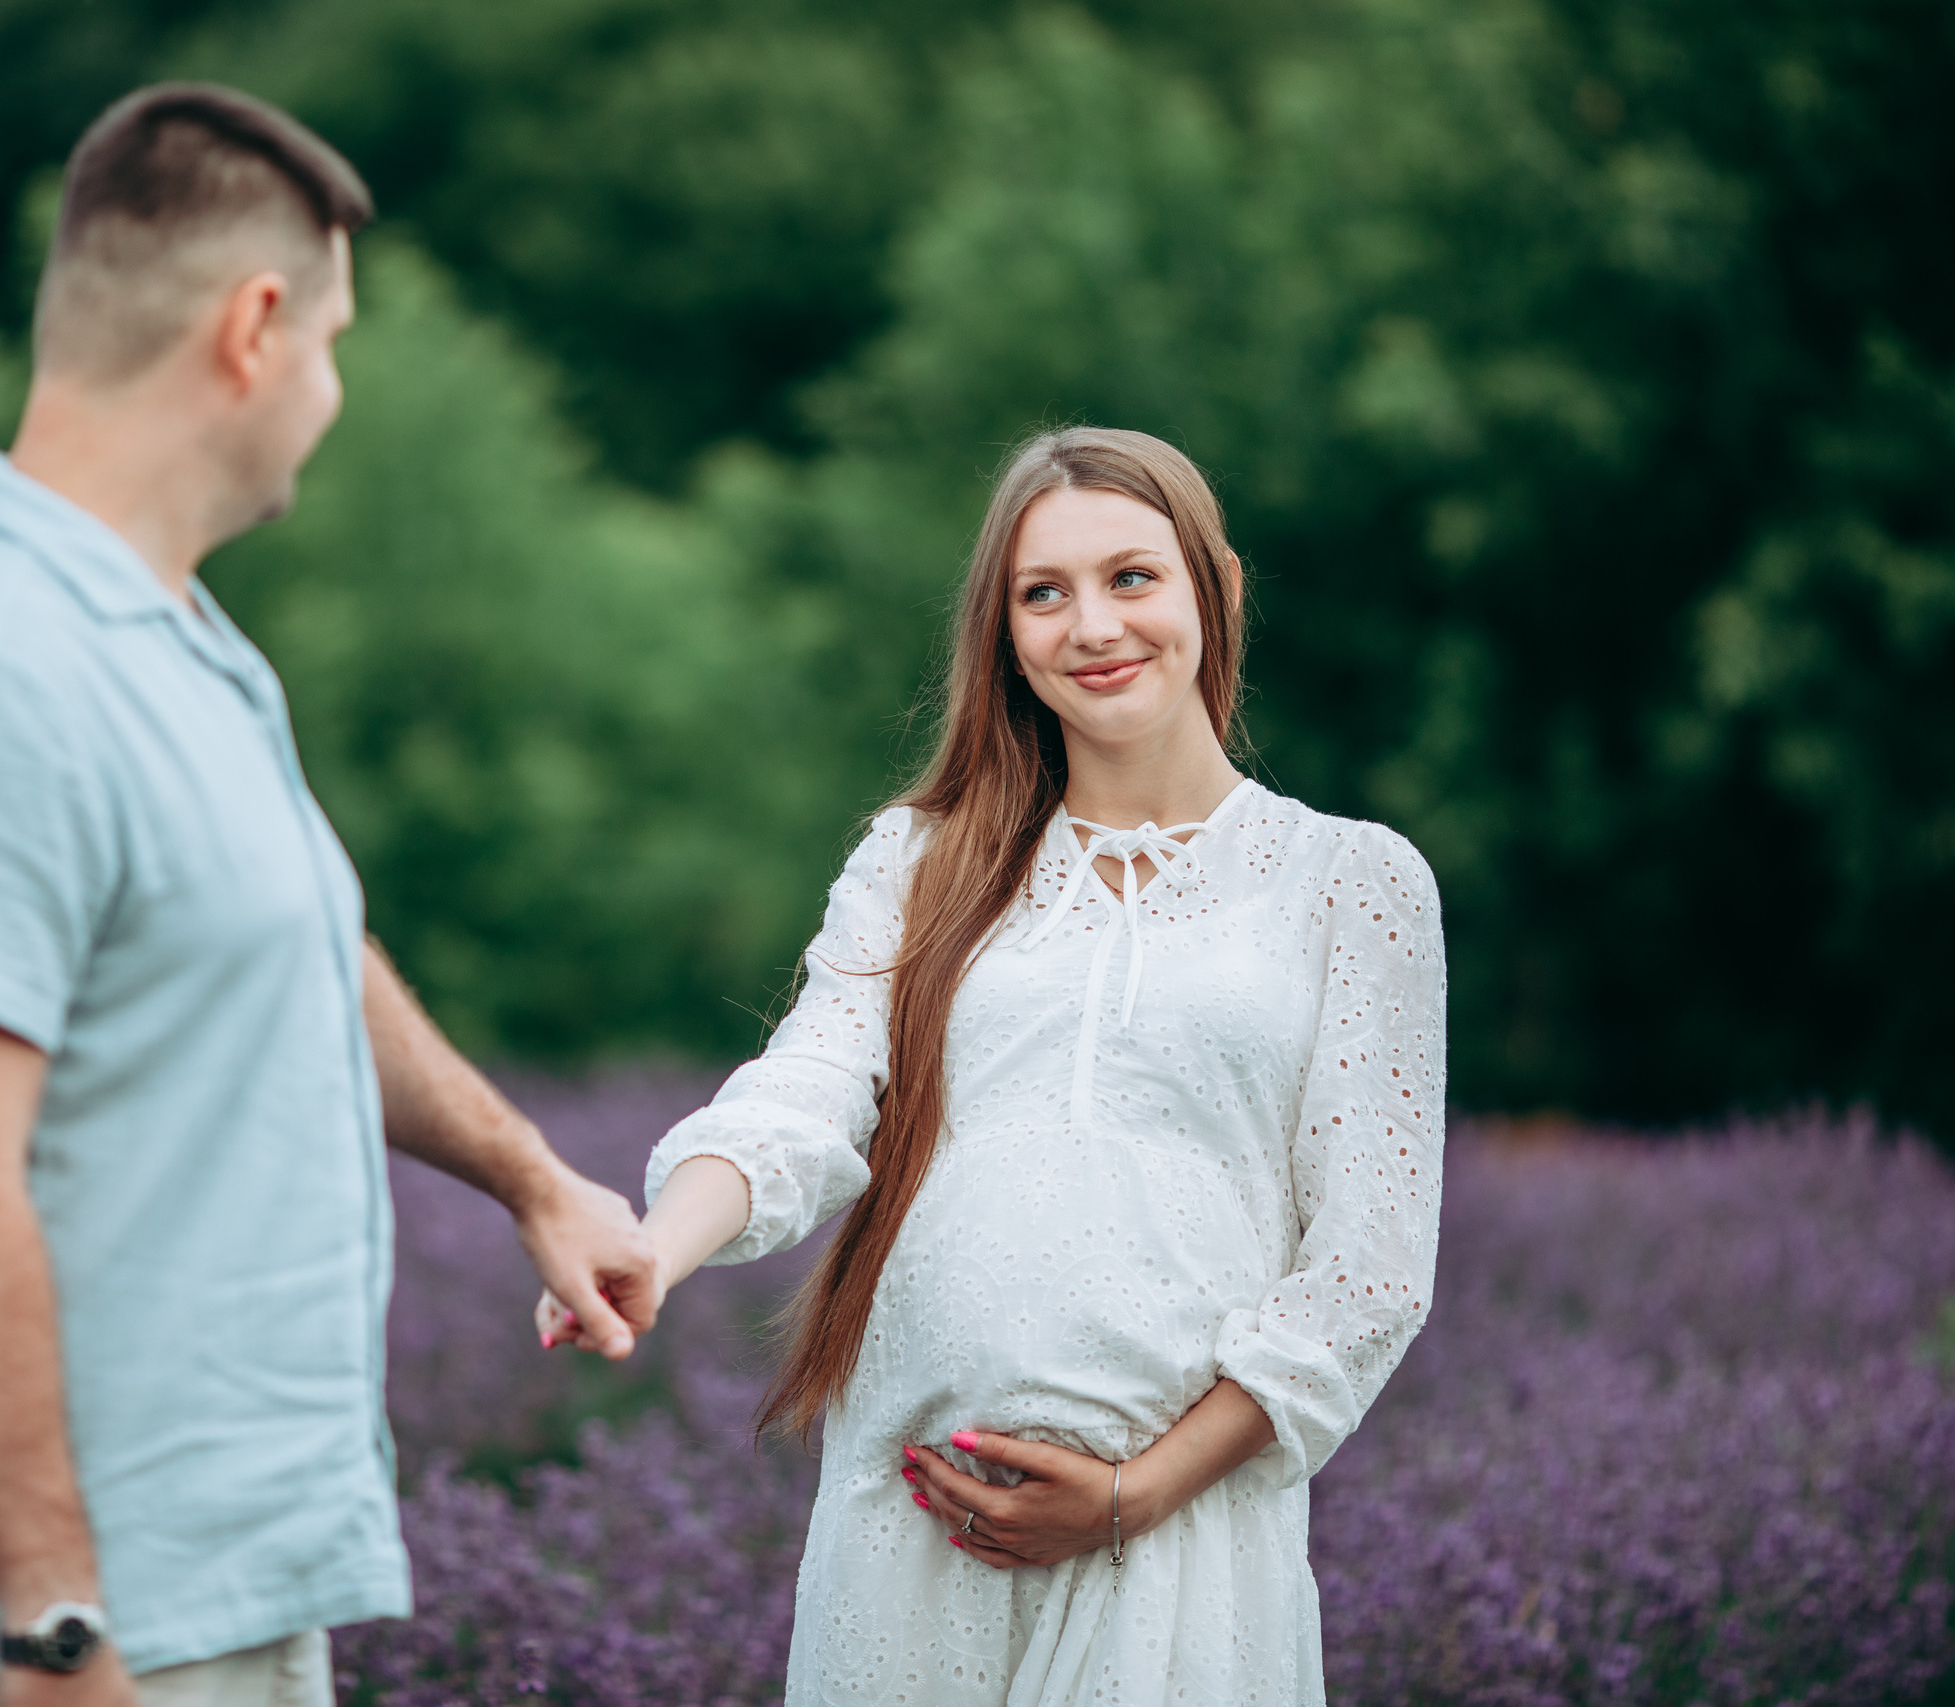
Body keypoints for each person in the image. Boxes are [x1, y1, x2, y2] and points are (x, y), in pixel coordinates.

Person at [0, 83, 658, 1707]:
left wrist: (530, 1177)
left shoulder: (177, 646)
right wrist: (54, 1621)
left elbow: (299, 948)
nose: (331, 392)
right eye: (332, 344)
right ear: (254, 329)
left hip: (212, 1597)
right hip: (55, 1637)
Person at [545, 427, 1448, 1704]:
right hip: (911, 1529)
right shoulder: (919, 863)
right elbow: (807, 1091)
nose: (1091, 625)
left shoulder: (1350, 883)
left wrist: (1136, 1495)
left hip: (1182, 1544)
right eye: (1044, 593)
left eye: (1131, 577)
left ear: (1215, 587)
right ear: (1005, 633)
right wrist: (659, 1244)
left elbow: (1366, 1270)